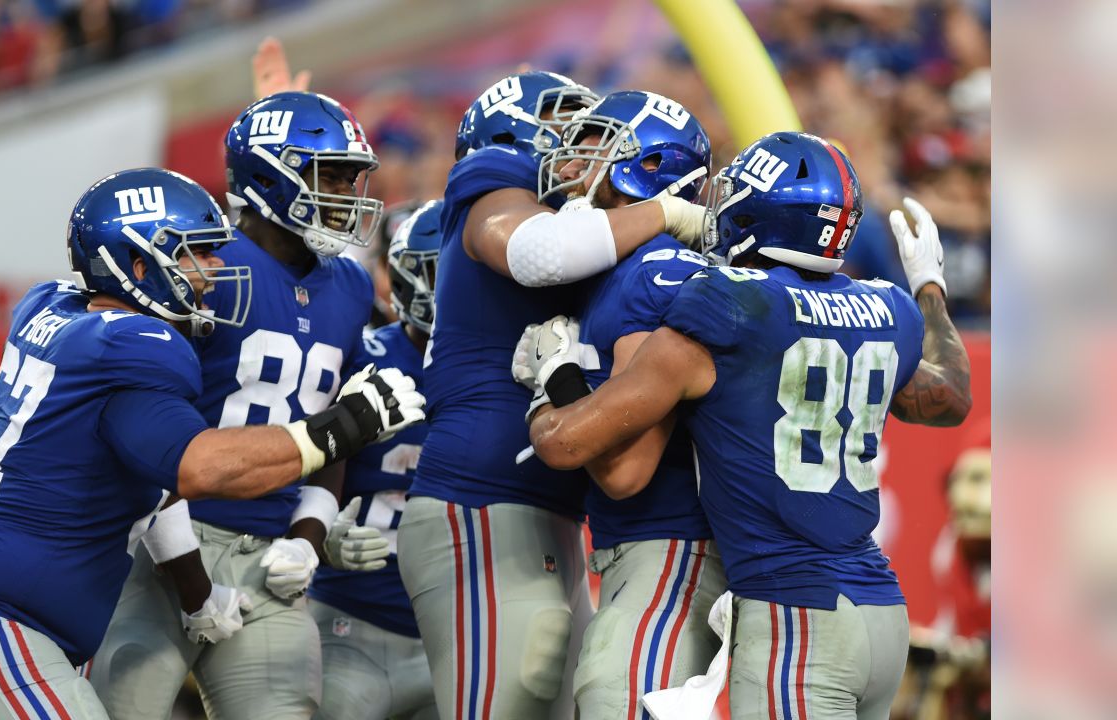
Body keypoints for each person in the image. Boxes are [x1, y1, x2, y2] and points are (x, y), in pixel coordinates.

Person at [520, 131, 972, 720]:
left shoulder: (725, 303)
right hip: (883, 613)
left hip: (797, 616)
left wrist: (554, 374)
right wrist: (929, 288)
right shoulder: (891, 307)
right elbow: (951, 397)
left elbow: (567, 442)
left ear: (762, 210)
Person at [0, 168, 424, 719]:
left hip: (12, 610)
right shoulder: (141, 343)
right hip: (1, 614)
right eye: (194, 255)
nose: (212, 271)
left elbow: (154, 475)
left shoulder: (50, 305)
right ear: (138, 267)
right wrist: (342, 426)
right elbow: (200, 469)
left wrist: (203, 592)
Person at [397, 70, 710, 719]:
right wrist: (666, 211)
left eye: (591, 132)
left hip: (552, 507)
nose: (575, 143)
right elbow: (536, 254)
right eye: (567, 121)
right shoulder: (491, 174)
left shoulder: (602, 240)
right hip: (483, 496)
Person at [89, 93, 390, 720]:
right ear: (267, 173)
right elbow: (136, 428)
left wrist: (308, 539)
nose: (343, 193)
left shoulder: (353, 284)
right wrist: (190, 581)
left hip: (268, 553)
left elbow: (335, 428)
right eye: (326, 175)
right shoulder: (202, 268)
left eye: (348, 176)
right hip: (157, 543)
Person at [518, 90, 728, 720]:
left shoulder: (654, 266)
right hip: (659, 548)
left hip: (669, 544)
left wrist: (555, 380)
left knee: (616, 700)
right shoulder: (631, 262)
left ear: (652, 166)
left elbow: (625, 471)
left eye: (599, 143)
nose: (578, 157)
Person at [307, 200, 445, 720]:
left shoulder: (515, 367)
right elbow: (285, 465)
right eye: (442, 274)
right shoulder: (362, 356)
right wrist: (318, 534)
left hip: (457, 635)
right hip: (351, 622)